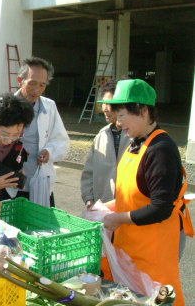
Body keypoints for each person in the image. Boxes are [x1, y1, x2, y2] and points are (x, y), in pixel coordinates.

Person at [99, 79, 193, 306]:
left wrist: (119, 218)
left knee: (158, 298)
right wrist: (103, 209)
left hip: (152, 251)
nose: (118, 123)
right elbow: (134, 194)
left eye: (122, 115)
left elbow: (160, 207)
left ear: (142, 111)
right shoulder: (136, 143)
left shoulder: (161, 150)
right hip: (130, 246)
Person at [14, 57, 69, 207]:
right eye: (32, 83)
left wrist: (49, 151)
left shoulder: (49, 106)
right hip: (10, 184)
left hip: (40, 181)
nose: (37, 90)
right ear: (20, 80)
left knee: (42, 227)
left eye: (42, 85)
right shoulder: (6, 106)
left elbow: (61, 140)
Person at [81, 79, 131, 209]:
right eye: (103, 103)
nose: (105, 108)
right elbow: (88, 172)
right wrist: (89, 199)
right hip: (102, 208)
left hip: (130, 211)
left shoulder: (136, 136)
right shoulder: (101, 136)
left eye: (110, 103)